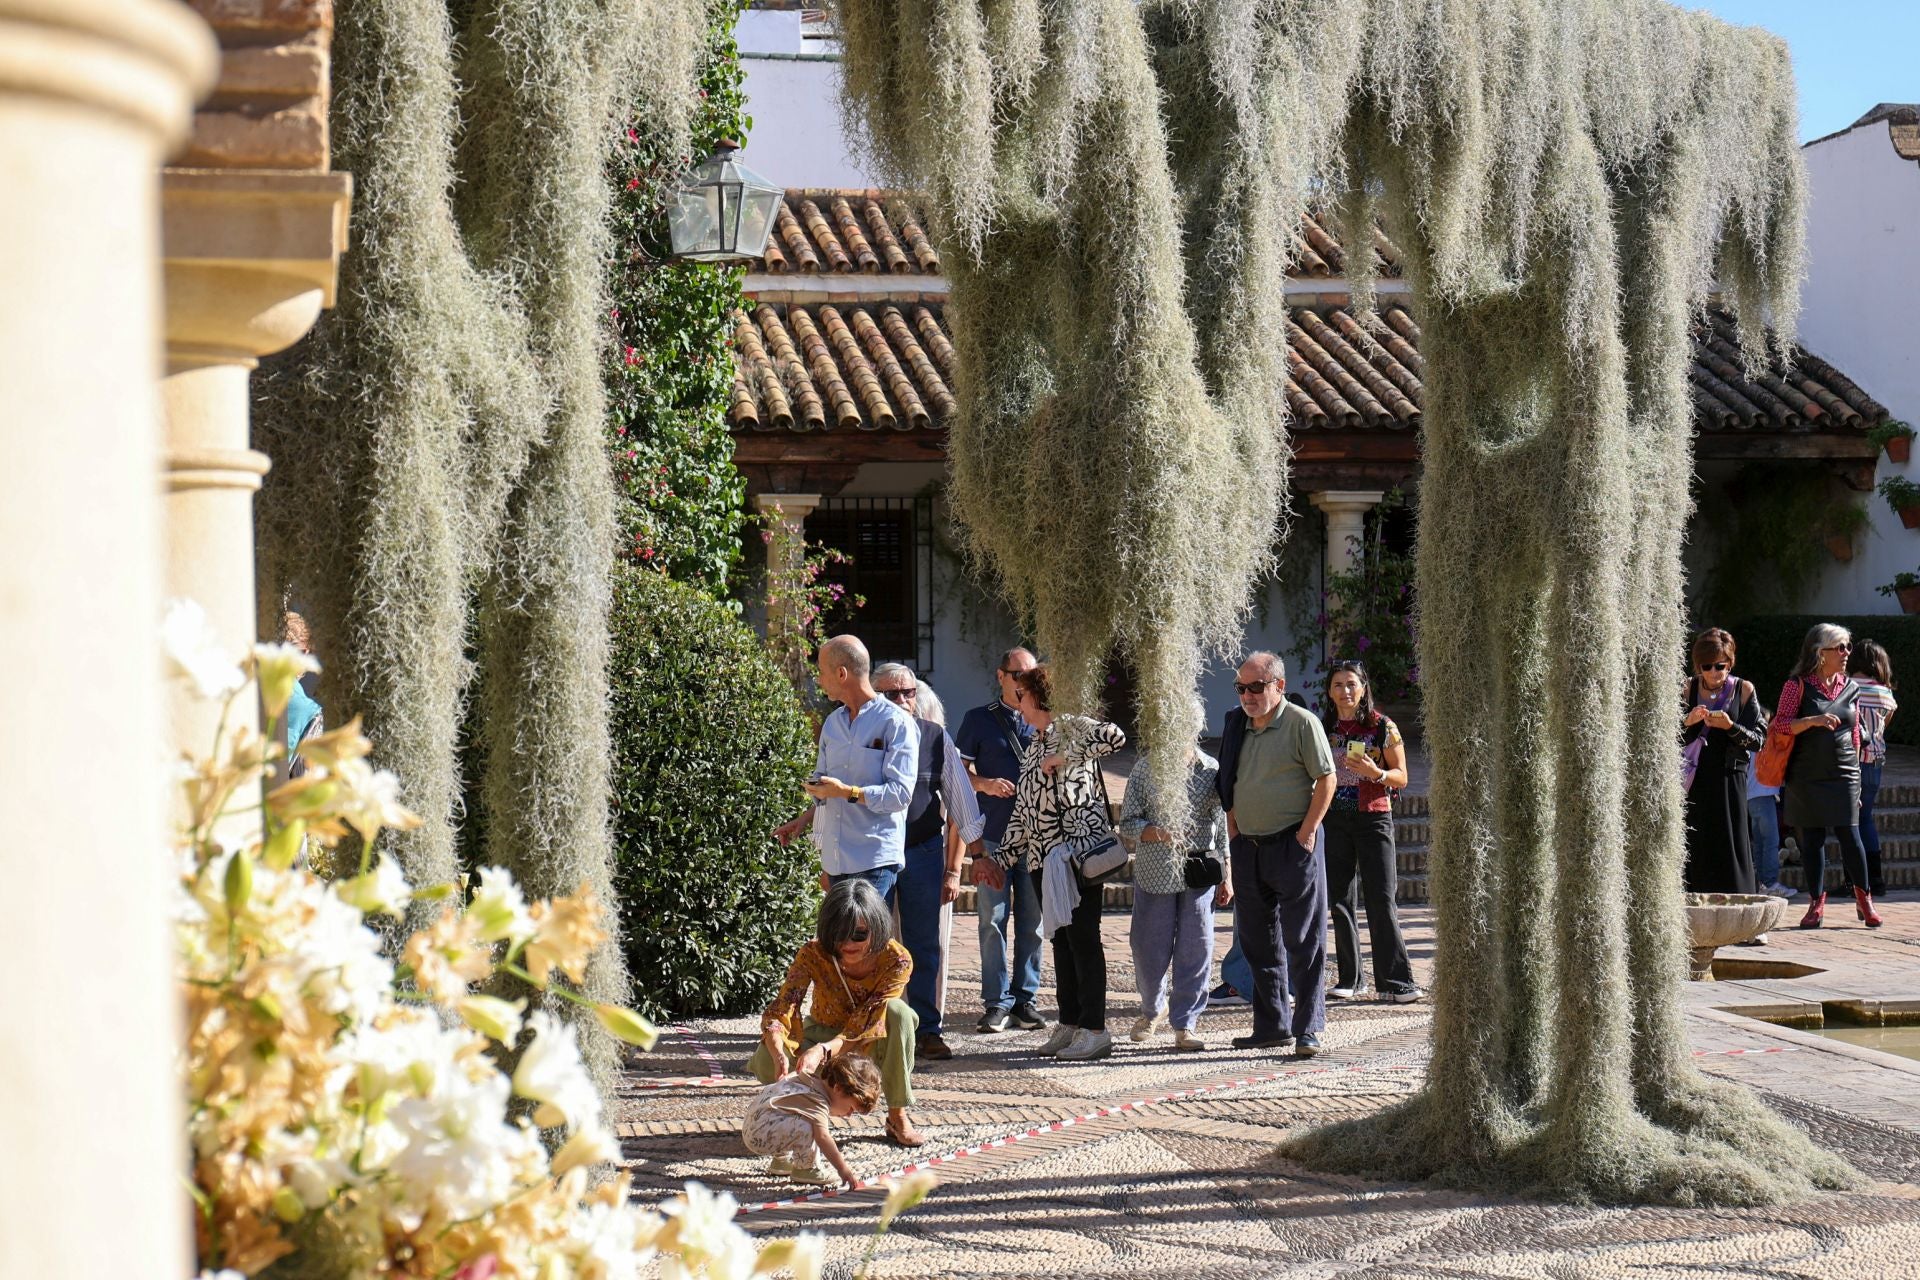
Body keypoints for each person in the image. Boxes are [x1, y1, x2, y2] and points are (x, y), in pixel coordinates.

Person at [995, 663, 1127, 1061]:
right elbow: (1023, 810)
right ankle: (1070, 1024)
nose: (1018, 706)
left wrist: (1066, 755)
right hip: (1041, 861)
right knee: (1063, 942)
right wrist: (1000, 858)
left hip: (1076, 857)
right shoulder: (1033, 744)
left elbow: (1115, 737)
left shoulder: (1071, 727)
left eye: (1022, 697)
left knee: (1084, 940)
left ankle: (1095, 1030)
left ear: (1039, 695)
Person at [1217, 652, 1335, 1056]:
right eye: (1241, 688)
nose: (1247, 696)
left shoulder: (1302, 723)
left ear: (1279, 686)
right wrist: (1233, 828)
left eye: (1255, 687)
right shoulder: (1237, 725)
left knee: (1304, 940)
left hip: (1291, 846)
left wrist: (1307, 833)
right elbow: (1227, 781)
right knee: (1258, 944)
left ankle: (1308, 1028)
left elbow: (1327, 778)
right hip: (1248, 848)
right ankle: (1272, 1026)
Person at [750, 879, 925, 1147]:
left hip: (870, 1040)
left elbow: (867, 1018)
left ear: (876, 928)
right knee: (766, 1056)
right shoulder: (814, 952)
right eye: (838, 934)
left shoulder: (896, 959)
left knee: (899, 1013)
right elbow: (787, 1002)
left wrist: (823, 1051)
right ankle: (802, 1113)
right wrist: (776, 1042)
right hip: (823, 1030)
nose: (848, 943)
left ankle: (897, 1115)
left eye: (859, 934)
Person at [870, 663, 985, 1063]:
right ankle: (875, 1029)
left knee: (924, 943)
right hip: (873, 854)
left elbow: (960, 798)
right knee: (872, 944)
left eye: (909, 692)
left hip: (921, 851)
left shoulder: (934, 737)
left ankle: (927, 1030)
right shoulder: (862, 736)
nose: (903, 701)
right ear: (875, 696)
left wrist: (977, 854)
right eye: (892, 694)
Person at [773, 635, 918, 903]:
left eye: (821, 672)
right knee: (843, 943)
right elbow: (827, 787)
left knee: (865, 942)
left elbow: (899, 795)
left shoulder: (896, 722)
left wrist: (847, 792)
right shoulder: (832, 723)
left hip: (874, 859)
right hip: (836, 859)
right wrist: (804, 818)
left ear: (841, 674)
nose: (818, 680)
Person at [1120, 712, 1228, 1052]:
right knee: (1147, 947)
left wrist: (1228, 875)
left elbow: (1223, 826)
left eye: (1186, 726)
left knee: (1197, 948)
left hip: (1199, 871)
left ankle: (1185, 1024)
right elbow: (1127, 823)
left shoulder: (1210, 769)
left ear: (1196, 729)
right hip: (1155, 871)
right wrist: (1158, 833)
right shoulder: (1145, 768)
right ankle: (1152, 1009)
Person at [954, 648, 1045, 1034]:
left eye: (1030, 675)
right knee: (991, 922)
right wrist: (983, 784)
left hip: (1037, 836)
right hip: (993, 837)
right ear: (1001, 676)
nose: (1023, 682)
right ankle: (996, 1003)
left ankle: (1026, 1000)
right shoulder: (978, 720)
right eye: (1016, 674)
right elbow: (956, 775)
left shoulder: (1044, 719)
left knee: (1033, 923)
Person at [1321, 661, 1420, 1003]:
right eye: (1337, 685)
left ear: (1363, 688)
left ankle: (1395, 982)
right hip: (1333, 819)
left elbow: (1402, 777)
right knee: (1340, 900)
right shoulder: (1323, 727)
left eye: (1351, 684)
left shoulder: (1383, 727)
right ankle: (1350, 978)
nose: (1345, 691)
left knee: (1381, 899)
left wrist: (1376, 772)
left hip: (1374, 818)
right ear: (1329, 691)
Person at [1772, 623, 1879, 929]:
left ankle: (1865, 900)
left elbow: (1856, 736)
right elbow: (1780, 725)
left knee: (1851, 835)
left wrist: (1857, 776)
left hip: (1845, 772)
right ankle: (1816, 904)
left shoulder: (1851, 687)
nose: (1847, 653)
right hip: (1805, 775)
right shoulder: (1797, 685)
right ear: (1821, 653)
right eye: (1840, 647)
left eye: (1848, 646)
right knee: (1812, 840)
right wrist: (1812, 721)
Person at [1680, 628, 1764, 897]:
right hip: (1695, 779)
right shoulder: (1687, 688)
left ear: (1730, 663)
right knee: (1698, 840)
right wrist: (1686, 721)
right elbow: (1663, 736)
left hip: (1730, 777)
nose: (1715, 672)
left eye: (1721, 666)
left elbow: (1758, 740)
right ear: (1698, 666)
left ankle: (1743, 909)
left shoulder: (1743, 689)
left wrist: (1730, 726)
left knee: (1733, 841)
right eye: (1708, 667)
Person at [741, 1050, 881, 1187]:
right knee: (810, 1126)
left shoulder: (807, 1078)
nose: (849, 1115)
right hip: (759, 1136)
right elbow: (823, 1138)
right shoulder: (818, 1102)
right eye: (851, 1108)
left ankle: (781, 1161)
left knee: (791, 1116)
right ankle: (805, 1169)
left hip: (752, 1126)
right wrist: (843, 1170)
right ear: (838, 1089)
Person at [1848, 639, 1897, 899]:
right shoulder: (1886, 693)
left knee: (1849, 823)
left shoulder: (1847, 688)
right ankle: (1876, 880)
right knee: (1866, 818)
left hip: (1852, 761)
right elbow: (1882, 728)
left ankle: (1855, 882)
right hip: (1875, 763)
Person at [1748, 751, 1788, 899]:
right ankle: (1770, 884)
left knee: (1760, 842)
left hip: (1752, 794)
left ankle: (1762, 884)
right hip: (1762, 792)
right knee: (1771, 841)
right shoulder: (1765, 738)